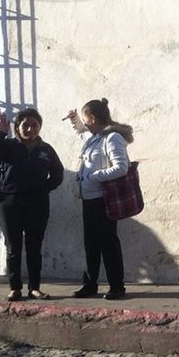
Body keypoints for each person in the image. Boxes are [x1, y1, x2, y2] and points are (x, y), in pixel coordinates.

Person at [0, 108, 65, 301]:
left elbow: (58, 174)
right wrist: (1, 133)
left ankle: (34, 287)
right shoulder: (10, 146)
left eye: (35, 125)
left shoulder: (46, 150)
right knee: (13, 247)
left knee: (34, 247)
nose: (30, 129)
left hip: (37, 204)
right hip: (10, 202)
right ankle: (15, 288)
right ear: (18, 127)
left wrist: (42, 188)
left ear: (40, 127)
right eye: (26, 125)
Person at [68, 99, 133, 300]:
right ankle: (90, 284)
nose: (86, 123)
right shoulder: (95, 137)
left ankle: (116, 286)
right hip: (88, 199)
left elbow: (122, 167)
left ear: (94, 118)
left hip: (102, 200)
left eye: (86, 119)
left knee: (108, 243)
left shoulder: (112, 138)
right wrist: (75, 120)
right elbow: (82, 132)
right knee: (91, 243)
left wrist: (93, 176)